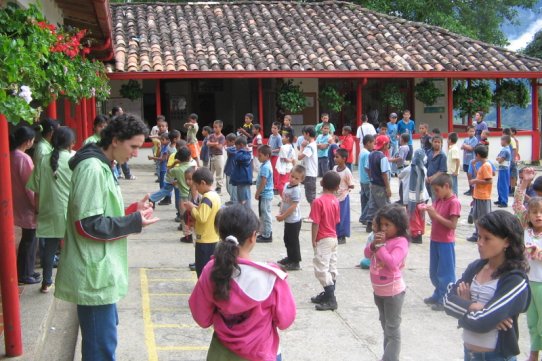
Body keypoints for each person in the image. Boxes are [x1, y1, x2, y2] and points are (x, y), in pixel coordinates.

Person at [54, 114, 158, 361]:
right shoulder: (92, 169)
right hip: (93, 273)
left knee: (104, 341)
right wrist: (133, 222)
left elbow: (101, 213)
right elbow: (88, 225)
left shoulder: (103, 165)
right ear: (114, 140)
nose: (135, 153)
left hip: (100, 271)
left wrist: (131, 211)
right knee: (100, 349)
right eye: (132, 146)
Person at [188, 204, 296, 361]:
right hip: (260, 353)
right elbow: (285, 321)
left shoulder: (212, 269)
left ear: (220, 234)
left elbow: (202, 317)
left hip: (221, 353)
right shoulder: (271, 278)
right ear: (253, 236)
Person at [443, 211, 530, 361]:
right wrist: (475, 306)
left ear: (507, 242)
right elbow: (447, 301)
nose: (480, 243)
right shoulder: (476, 268)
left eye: (487, 238)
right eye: (479, 237)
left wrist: (464, 307)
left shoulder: (515, 280)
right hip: (469, 354)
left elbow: (482, 322)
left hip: (496, 356)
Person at [27, 126, 75, 292]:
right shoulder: (74, 159)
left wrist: (37, 209)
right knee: (74, 247)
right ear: (71, 144)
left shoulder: (43, 160)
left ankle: (46, 282)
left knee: (49, 249)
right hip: (71, 210)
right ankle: (72, 281)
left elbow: (35, 189)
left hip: (48, 210)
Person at [364, 204, 409, 361]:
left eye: (387, 225)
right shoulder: (380, 239)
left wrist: (381, 246)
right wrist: (373, 245)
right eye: (381, 224)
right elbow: (367, 254)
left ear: (398, 226)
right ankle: (388, 355)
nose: (383, 228)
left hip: (393, 292)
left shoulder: (400, 242)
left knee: (392, 329)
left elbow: (392, 263)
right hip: (379, 291)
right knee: (385, 327)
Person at [512, 167, 542, 361]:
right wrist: (524, 182)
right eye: (534, 212)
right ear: (528, 216)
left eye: (541, 213)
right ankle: (533, 353)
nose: (538, 216)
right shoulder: (526, 229)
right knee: (531, 321)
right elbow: (517, 204)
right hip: (528, 282)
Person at [422, 174, 461, 311]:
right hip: (435, 239)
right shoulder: (439, 200)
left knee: (446, 273)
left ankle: (446, 298)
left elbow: (452, 225)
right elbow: (435, 218)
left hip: (446, 242)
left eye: (437, 190)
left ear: (447, 186)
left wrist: (435, 216)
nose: (436, 194)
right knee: (434, 271)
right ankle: (438, 293)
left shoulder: (454, 202)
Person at [10, 126, 40, 285]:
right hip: (27, 204)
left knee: (28, 239)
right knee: (29, 240)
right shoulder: (23, 158)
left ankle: (27, 271)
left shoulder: (11, 156)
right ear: (28, 141)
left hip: (16, 200)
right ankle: (25, 272)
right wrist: (36, 205)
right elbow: (31, 186)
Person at [309, 171, 341, 311]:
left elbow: (315, 222)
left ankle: (331, 297)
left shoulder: (318, 201)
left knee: (320, 268)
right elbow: (336, 220)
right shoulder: (335, 201)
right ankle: (329, 294)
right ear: (337, 187)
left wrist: (314, 240)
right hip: (333, 237)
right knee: (331, 267)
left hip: (323, 238)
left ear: (321, 183)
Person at [183, 167, 221, 277]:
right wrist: (195, 207)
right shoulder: (215, 196)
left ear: (203, 183)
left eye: (196, 185)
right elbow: (208, 212)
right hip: (214, 237)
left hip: (204, 239)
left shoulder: (206, 198)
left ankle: (203, 290)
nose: (196, 188)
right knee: (210, 269)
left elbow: (202, 217)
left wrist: (192, 208)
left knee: (202, 270)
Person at [276, 165, 306, 271]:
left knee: (293, 241)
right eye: (292, 176)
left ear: (301, 180)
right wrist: (281, 211)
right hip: (287, 219)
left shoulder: (296, 190)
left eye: (297, 178)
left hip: (294, 220)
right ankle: (290, 258)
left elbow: (293, 206)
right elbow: (284, 200)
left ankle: (295, 262)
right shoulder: (287, 185)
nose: (293, 179)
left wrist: (283, 216)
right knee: (287, 239)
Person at [401, 148, 429, 244]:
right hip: (422, 198)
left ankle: (416, 235)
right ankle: (420, 232)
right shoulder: (424, 169)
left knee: (413, 217)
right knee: (421, 216)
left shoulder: (408, 169)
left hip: (411, 198)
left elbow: (400, 176)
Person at [467, 145, 493, 243]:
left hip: (483, 196)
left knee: (482, 217)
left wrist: (475, 181)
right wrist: (473, 166)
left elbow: (488, 180)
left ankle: (483, 235)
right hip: (478, 195)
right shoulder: (483, 165)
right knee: (476, 216)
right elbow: (480, 175)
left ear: (478, 155)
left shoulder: (486, 165)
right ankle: (478, 234)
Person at [365, 135, 392, 233]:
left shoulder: (371, 154)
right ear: (384, 145)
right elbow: (384, 174)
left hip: (373, 184)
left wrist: (372, 176)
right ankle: (386, 224)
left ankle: (369, 223)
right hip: (381, 185)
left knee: (373, 204)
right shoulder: (382, 157)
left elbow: (367, 168)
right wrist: (388, 188)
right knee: (384, 205)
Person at [334, 149, 354, 245]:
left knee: (343, 216)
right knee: (334, 216)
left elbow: (351, 185)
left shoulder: (347, 172)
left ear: (344, 159)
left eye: (337, 157)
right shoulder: (334, 168)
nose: (335, 159)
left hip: (343, 197)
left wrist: (345, 189)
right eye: (335, 156)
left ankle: (341, 236)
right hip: (334, 196)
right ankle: (335, 233)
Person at [255, 145, 274, 243]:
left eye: (260, 155)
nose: (258, 157)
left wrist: (257, 193)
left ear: (267, 156)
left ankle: (267, 235)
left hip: (265, 194)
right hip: (264, 194)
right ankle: (263, 232)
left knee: (266, 214)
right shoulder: (264, 164)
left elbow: (263, 181)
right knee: (262, 214)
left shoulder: (266, 166)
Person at [298, 126, 318, 209]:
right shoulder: (312, 144)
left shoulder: (310, 146)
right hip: (310, 173)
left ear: (308, 134)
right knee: (310, 195)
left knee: (310, 196)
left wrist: (302, 147)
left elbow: (299, 157)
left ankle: (313, 215)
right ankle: (312, 215)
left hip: (310, 174)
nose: (303, 137)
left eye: (304, 135)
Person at [148, 133, 171, 204]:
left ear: (168, 140)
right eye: (160, 139)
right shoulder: (163, 146)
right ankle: (167, 198)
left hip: (164, 168)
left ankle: (166, 198)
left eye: (162, 140)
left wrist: (152, 158)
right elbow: (158, 155)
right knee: (164, 185)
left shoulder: (167, 148)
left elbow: (162, 159)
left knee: (163, 185)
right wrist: (158, 148)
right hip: (162, 168)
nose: (161, 141)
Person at [231, 136, 253, 208]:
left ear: (241, 145)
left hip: (244, 180)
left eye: (236, 146)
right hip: (241, 180)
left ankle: (247, 213)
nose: (235, 148)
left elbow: (237, 157)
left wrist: (242, 150)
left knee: (244, 199)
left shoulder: (246, 154)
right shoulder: (244, 153)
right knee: (240, 199)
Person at [425, 135, 447, 200]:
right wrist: (426, 177)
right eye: (435, 142)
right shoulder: (429, 152)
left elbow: (442, 171)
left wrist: (432, 178)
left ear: (441, 143)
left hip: (437, 182)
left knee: (435, 200)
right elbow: (426, 165)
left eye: (438, 142)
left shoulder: (442, 156)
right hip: (427, 180)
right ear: (432, 143)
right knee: (425, 198)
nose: (437, 144)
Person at [359, 134, 374, 225]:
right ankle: (364, 217)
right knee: (371, 200)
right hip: (367, 180)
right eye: (373, 143)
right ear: (368, 143)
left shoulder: (362, 152)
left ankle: (364, 217)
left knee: (364, 199)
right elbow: (367, 167)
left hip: (362, 179)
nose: (374, 145)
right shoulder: (368, 154)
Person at [390, 133, 410, 204]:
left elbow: (400, 157)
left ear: (402, 140)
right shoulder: (407, 147)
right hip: (403, 166)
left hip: (400, 167)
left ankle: (402, 199)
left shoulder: (402, 148)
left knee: (401, 184)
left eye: (400, 138)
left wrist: (391, 160)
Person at [208, 120, 226, 194]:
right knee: (210, 172)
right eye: (214, 127)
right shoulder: (211, 135)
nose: (214, 129)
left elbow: (220, 147)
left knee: (219, 172)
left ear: (220, 128)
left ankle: (219, 187)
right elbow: (207, 143)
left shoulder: (222, 137)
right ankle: (209, 185)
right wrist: (215, 143)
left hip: (219, 156)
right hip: (212, 156)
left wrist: (212, 144)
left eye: (216, 127)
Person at [276, 132, 296, 196]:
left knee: (280, 185)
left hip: (283, 169)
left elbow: (285, 159)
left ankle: (284, 198)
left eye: (283, 137)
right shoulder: (292, 148)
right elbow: (294, 160)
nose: (282, 138)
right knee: (287, 183)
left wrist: (289, 160)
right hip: (290, 168)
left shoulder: (283, 147)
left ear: (288, 138)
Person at [495, 135, 512, 208]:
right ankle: (500, 199)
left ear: (505, 141)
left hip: (504, 169)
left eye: (501, 140)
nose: (500, 142)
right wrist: (498, 158)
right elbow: (498, 158)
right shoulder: (505, 149)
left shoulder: (505, 150)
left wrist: (498, 158)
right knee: (500, 185)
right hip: (502, 169)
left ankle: (504, 201)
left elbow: (500, 160)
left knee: (503, 185)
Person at [462, 125, 478, 196]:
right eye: (470, 131)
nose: (472, 133)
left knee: (472, 175)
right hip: (466, 160)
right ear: (467, 132)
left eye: (473, 131)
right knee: (468, 176)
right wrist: (466, 146)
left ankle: (473, 189)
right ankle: (470, 188)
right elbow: (462, 147)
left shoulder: (475, 139)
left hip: (472, 160)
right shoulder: (466, 139)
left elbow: (471, 148)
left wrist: (465, 146)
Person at [224, 133, 238, 205]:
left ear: (233, 141)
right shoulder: (232, 148)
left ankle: (234, 201)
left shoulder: (235, 148)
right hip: (229, 170)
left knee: (232, 188)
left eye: (228, 142)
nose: (226, 143)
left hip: (232, 171)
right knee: (229, 188)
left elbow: (228, 149)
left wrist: (225, 147)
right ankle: (232, 199)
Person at [269, 122, 283, 194]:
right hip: (270, 156)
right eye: (272, 127)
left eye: (275, 128)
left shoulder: (279, 137)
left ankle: (276, 187)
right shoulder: (271, 136)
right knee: (271, 171)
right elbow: (269, 145)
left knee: (276, 172)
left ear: (278, 130)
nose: (273, 129)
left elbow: (280, 148)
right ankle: (273, 185)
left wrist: (273, 150)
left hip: (276, 156)